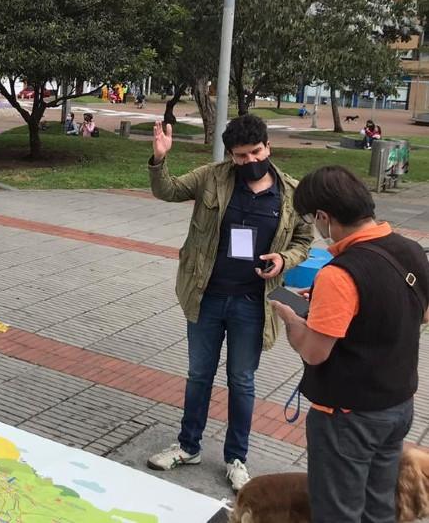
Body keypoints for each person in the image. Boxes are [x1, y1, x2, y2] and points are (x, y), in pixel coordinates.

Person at [144, 115, 313, 491]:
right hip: (207, 296)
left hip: (253, 304)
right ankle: (188, 446)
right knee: (199, 375)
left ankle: (237, 457)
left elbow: (304, 239)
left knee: (242, 380)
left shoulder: (290, 193)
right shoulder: (212, 177)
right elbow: (168, 191)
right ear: (231, 155)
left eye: (256, 152)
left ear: (268, 146)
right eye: (241, 155)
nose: (251, 161)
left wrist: (285, 259)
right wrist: (159, 160)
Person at [272, 166, 429, 523]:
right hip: (397, 405)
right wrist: (340, 312)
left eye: (313, 220)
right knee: (380, 506)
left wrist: (294, 320)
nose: (316, 228)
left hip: (347, 417)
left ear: (325, 217)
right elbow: (421, 314)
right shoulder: (411, 250)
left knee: (337, 511)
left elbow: (314, 352)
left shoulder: (340, 273)